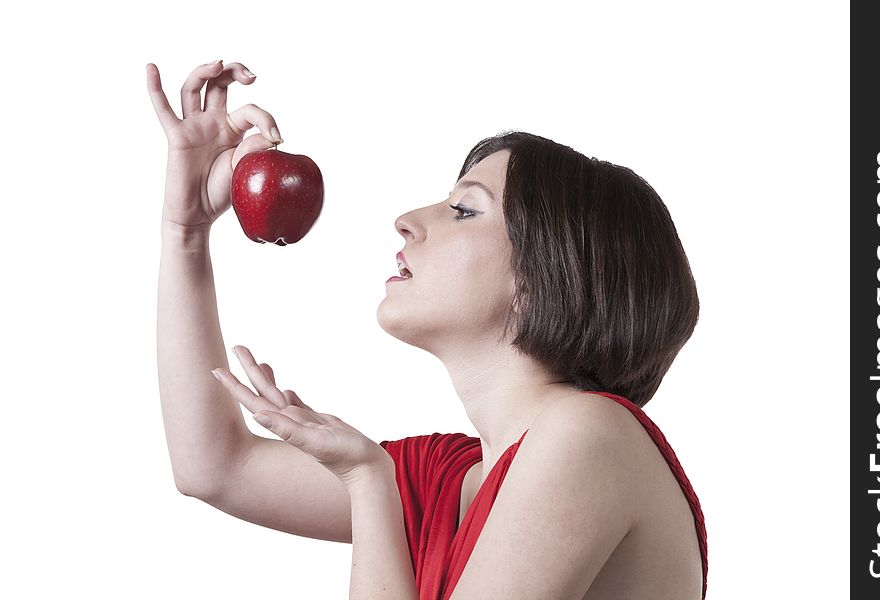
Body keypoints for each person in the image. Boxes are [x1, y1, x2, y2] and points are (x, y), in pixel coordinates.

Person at [148, 59, 707, 600]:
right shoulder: (451, 477)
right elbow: (215, 466)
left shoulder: (588, 434)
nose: (407, 220)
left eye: (465, 209)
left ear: (545, 275)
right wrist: (186, 231)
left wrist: (368, 484)